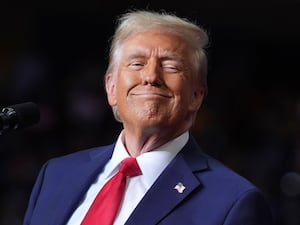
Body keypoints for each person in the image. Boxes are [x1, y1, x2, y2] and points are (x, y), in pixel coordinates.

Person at [23, 10, 274, 225]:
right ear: (111, 88)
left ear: (196, 96)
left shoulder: (234, 202)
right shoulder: (55, 175)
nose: (151, 76)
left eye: (171, 66)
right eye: (136, 64)